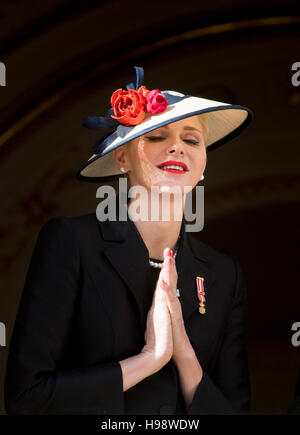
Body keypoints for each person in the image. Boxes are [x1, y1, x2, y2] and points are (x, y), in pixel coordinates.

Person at [4, 66, 253, 415]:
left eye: (192, 139)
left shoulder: (225, 276)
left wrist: (184, 355)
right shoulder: (72, 243)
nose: (177, 147)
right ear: (122, 157)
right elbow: (26, 399)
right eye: (155, 137)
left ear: (203, 166)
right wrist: (150, 359)